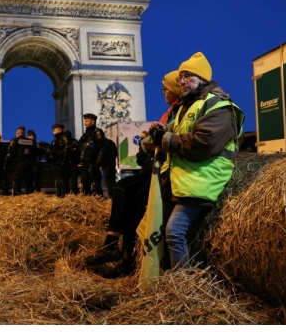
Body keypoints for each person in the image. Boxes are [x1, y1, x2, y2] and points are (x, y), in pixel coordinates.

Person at [149, 52, 244, 270]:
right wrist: (164, 131)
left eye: (188, 76)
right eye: (181, 76)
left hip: (203, 178)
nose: (181, 81)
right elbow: (181, 134)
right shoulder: (188, 105)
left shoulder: (219, 106)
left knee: (174, 231)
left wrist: (167, 140)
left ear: (202, 78)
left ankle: (183, 286)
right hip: (186, 178)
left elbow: (204, 143)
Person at [85, 70, 181, 278]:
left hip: (165, 168)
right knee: (130, 207)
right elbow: (151, 142)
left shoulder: (180, 112)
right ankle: (125, 259)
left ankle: (114, 245)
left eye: (166, 88)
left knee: (122, 189)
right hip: (154, 165)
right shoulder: (170, 112)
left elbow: (161, 140)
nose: (163, 92)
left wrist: (152, 138)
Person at [78, 113, 105, 196]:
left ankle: (98, 201)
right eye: (84, 121)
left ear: (93, 122)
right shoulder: (85, 135)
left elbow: (102, 149)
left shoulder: (98, 133)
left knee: (95, 183)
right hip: (85, 163)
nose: (84, 123)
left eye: (87, 121)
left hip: (93, 162)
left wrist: (97, 163)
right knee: (85, 182)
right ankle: (87, 201)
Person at [5, 126, 36, 195]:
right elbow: (34, 153)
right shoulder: (30, 141)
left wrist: (7, 164)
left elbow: (10, 154)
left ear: (17, 133)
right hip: (29, 164)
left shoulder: (15, 140)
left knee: (17, 181)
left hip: (19, 164)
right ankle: (30, 197)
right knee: (28, 182)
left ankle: (16, 197)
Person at [46, 123, 67, 198]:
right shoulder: (55, 141)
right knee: (57, 181)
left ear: (59, 130)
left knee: (62, 181)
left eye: (55, 130)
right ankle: (59, 195)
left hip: (61, 163)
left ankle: (63, 195)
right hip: (56, 163)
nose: (53, 132)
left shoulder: (64, 139)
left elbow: (65, 151)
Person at [97, 128, 118, 197]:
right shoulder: (110, 142)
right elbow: (115, 153)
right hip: (111, 163)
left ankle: (111, 194)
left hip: (107, 164)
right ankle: (113, 194)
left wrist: (103, 163)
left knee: (109, 180)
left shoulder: (104, 143)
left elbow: (103, 155)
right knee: (111, 179)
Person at [62, 130, 80, 194]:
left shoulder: (74, 142)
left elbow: (77, 151)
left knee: (73, 180)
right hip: (66, 163)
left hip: (73, 163)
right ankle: (67, 193)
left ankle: (74, 192)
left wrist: (71, 148)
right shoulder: (63, 143)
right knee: (65, 180)